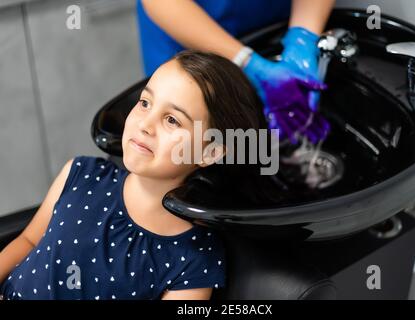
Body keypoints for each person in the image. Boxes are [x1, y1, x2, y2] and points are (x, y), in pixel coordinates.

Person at [0, 50, 268, 300]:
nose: (145, 124)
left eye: (172, 120)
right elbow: (29, 240)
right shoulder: (80, 174)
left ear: (209, 152)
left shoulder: (194, 260)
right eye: (145, 103)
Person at [137, 0, 335, 144]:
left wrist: (303, 37)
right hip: (187, 28)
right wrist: (246, 62)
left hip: (277, 17)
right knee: (187, 140)